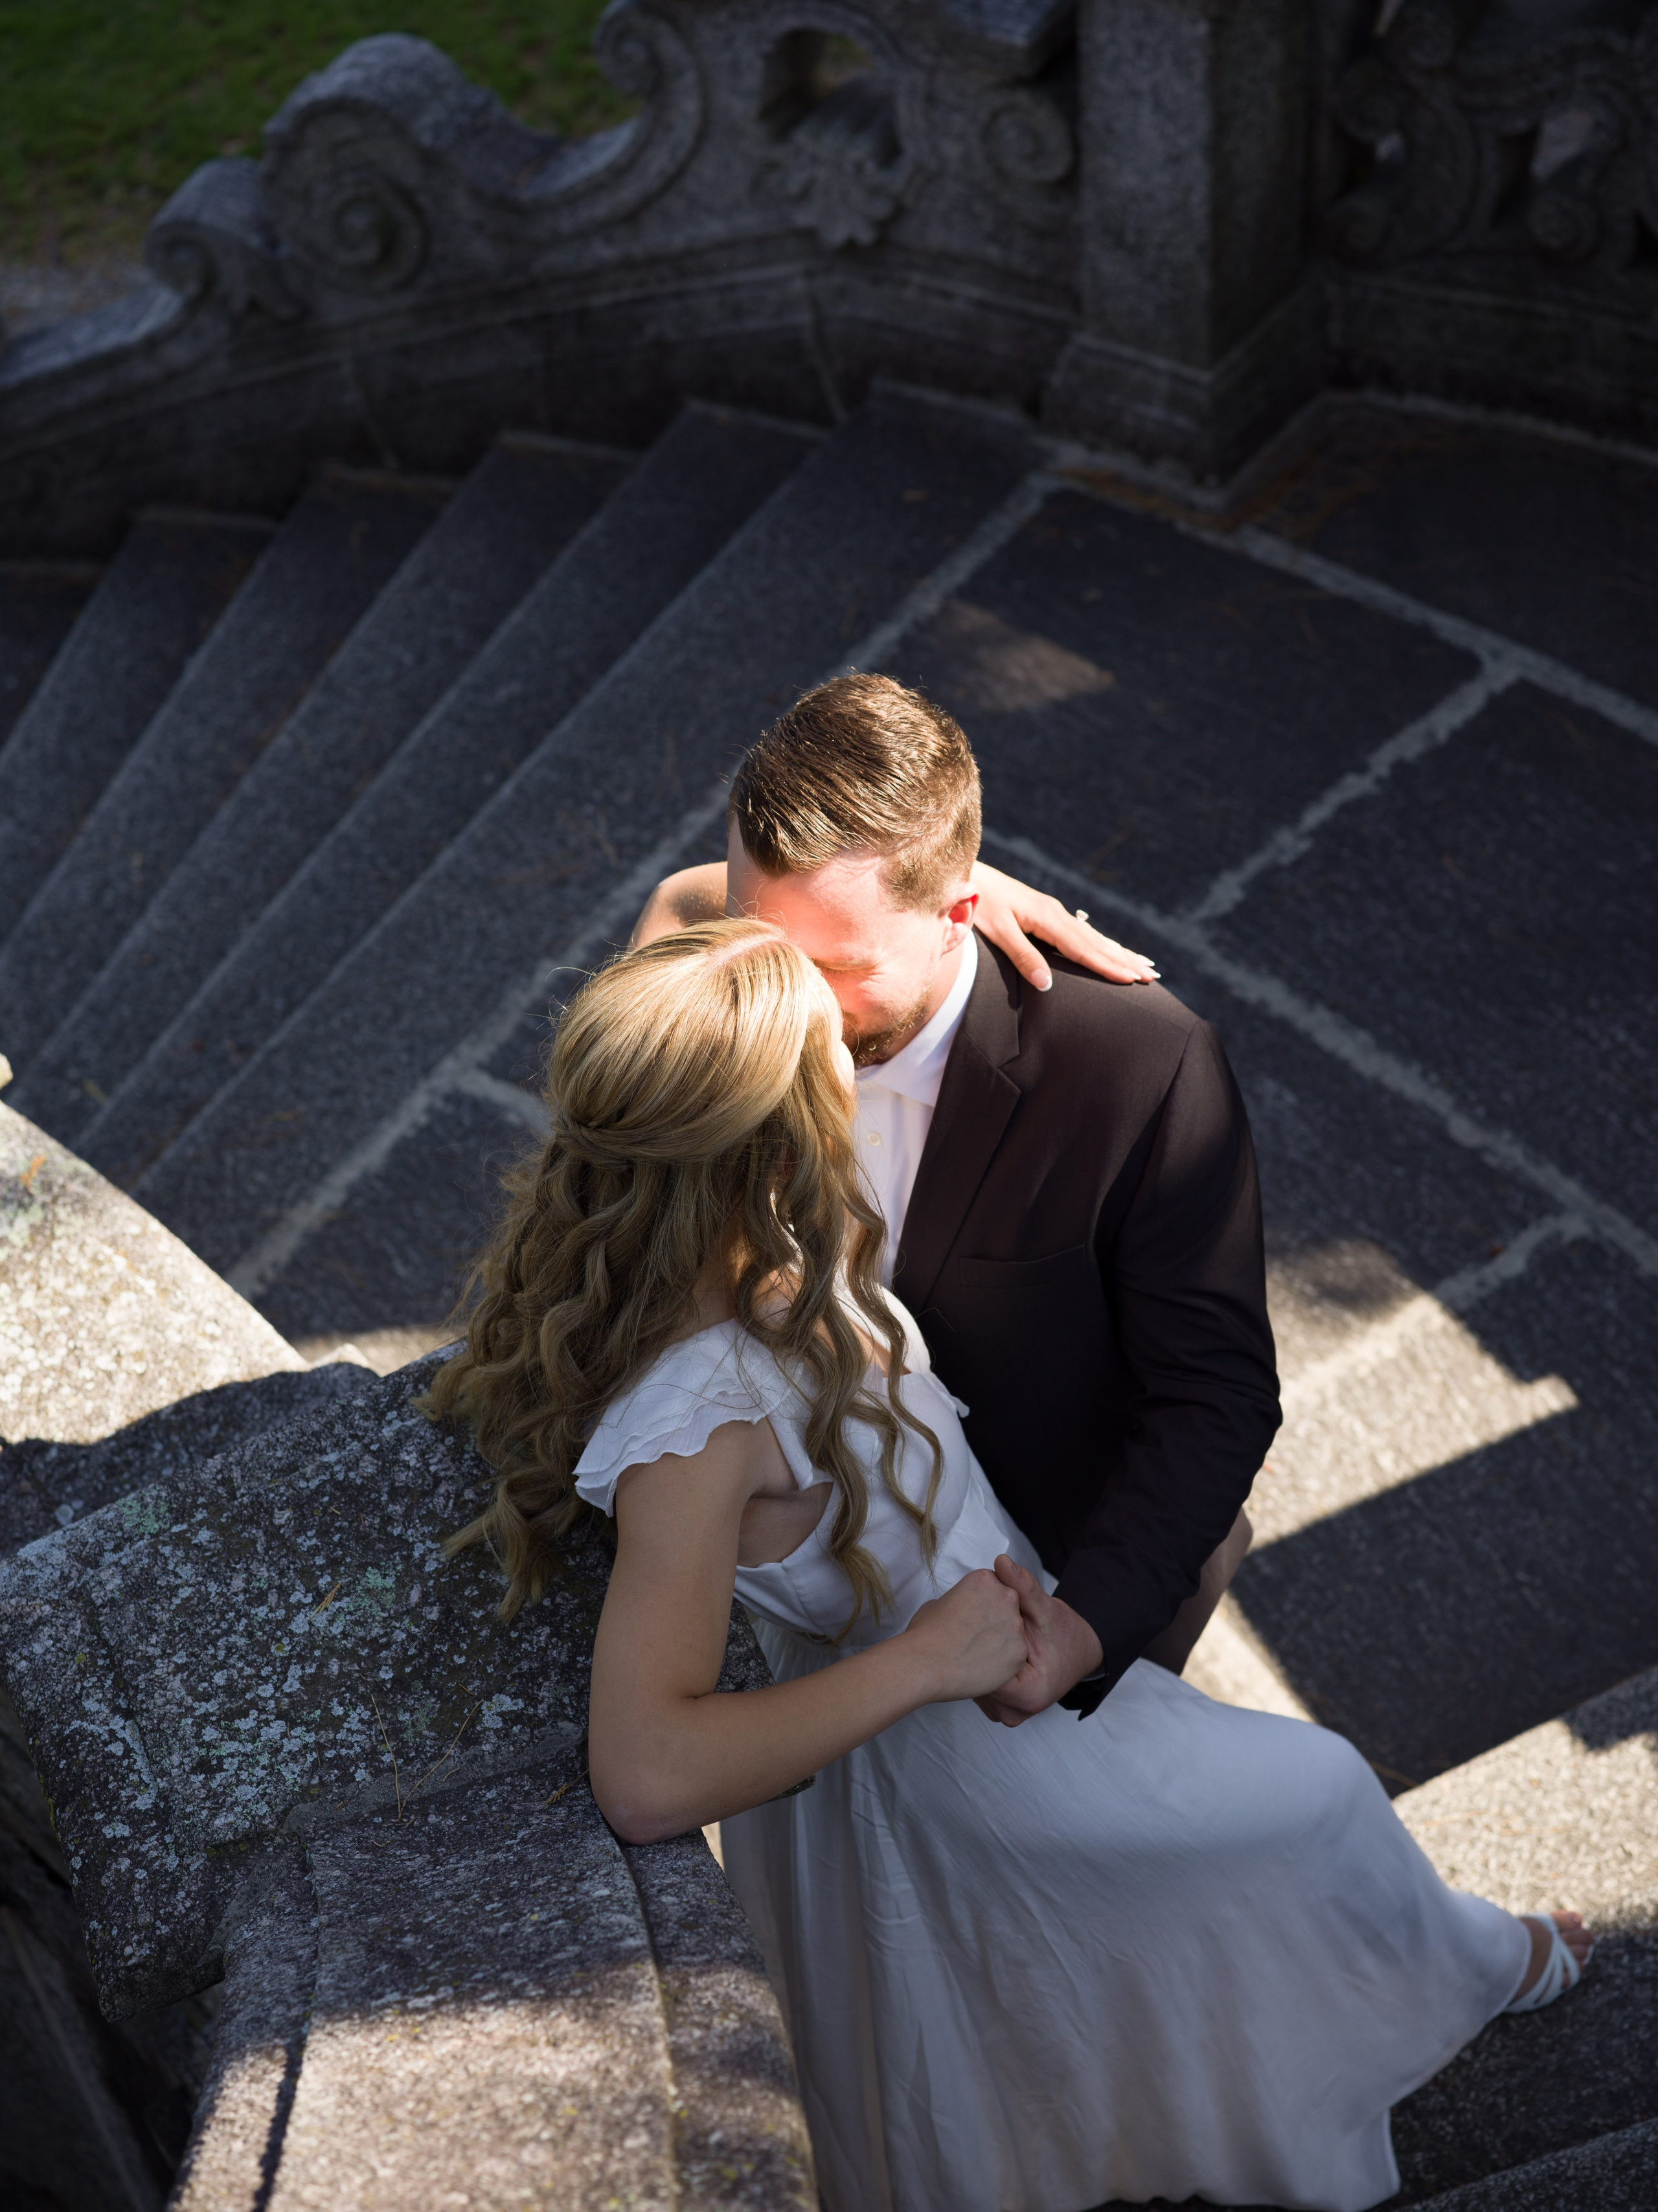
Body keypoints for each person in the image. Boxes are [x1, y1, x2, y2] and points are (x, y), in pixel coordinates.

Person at [430, 918, 1592, 2212]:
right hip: (951, 1744)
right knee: (1311, 1797)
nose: (861, 1065)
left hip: (1006, 1654)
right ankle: (1465, 1969)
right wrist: (932, 1659)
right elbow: (644, 1776)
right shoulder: (699, 1424)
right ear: (767, 1137)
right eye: (835, 1063)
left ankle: (1353, 2009)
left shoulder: (734, 1226)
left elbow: (691, 903)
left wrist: (951, 889)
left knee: (1068, 1989)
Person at [633, 673, 1260, 1715]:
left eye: (836, 965)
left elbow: (1216, 1397)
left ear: (960, 913)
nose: (782, 1001)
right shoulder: (738, 983)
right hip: (808, 1570)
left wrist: (1081, 1630)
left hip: (1047, 1579)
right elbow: (686, 910)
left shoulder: (1143, 1068)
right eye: (758, 936)